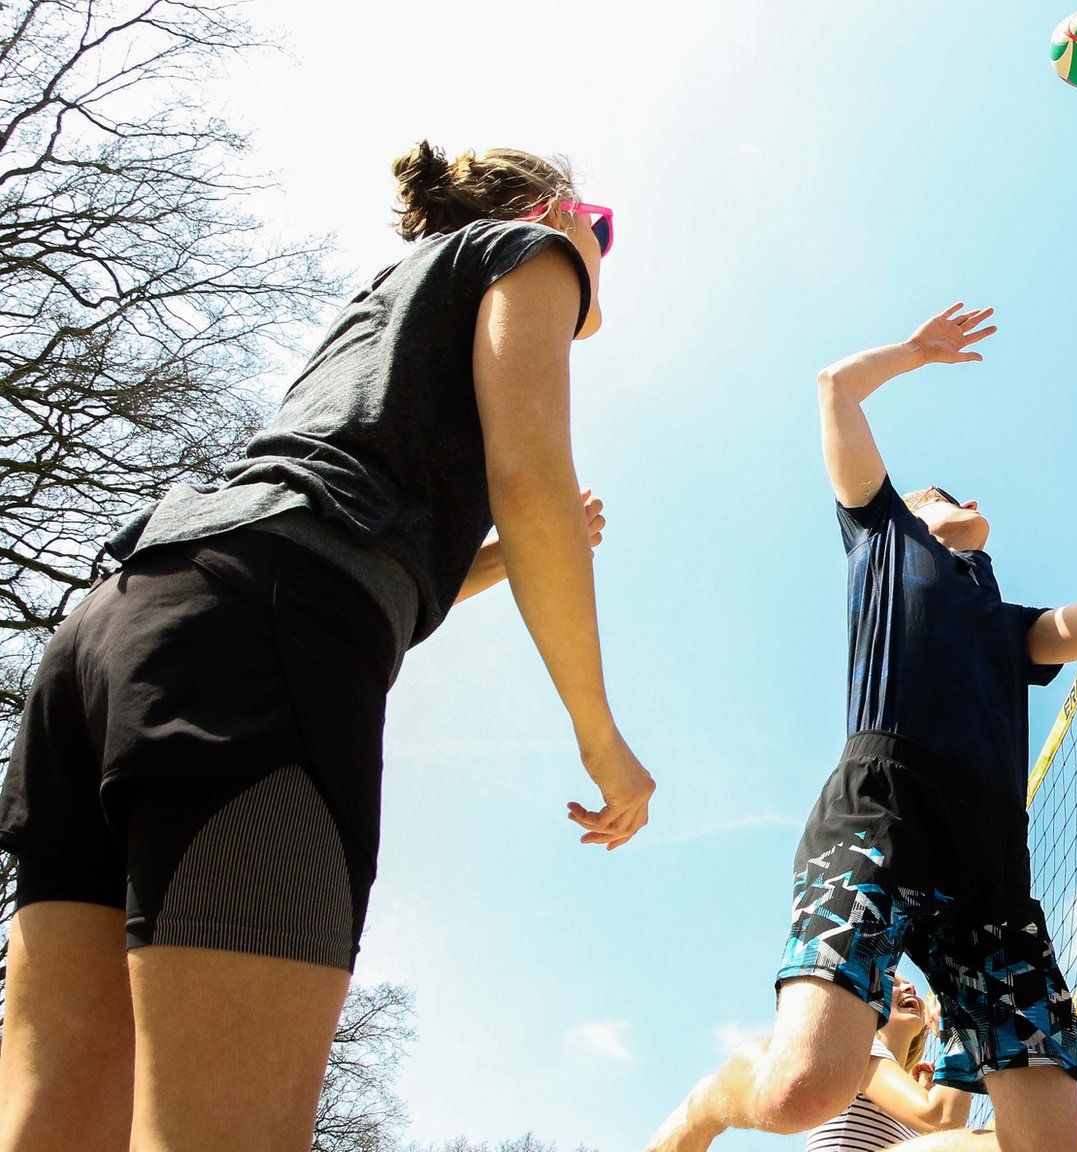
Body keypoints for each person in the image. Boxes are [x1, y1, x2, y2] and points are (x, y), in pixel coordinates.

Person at [0, 141, 657, 1152]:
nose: (598, 248)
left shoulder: (387, 297)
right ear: (559, 207)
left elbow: (360, 533)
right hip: (259, 638)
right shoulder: (535, 248)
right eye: (601, 226)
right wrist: (598, 734)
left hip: (121, 625)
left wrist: (507, 555)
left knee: (57, 1128)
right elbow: (530, 481)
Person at [649, 303, 1077, 1152]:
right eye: (944, 491)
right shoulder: (884, 538)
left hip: (990, 874)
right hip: (881, 815)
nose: (966, 498)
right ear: (911, 508)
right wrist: (917, 353)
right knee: (804, 1092)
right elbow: (836, 387)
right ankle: (715, 1097)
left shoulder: (1014, 627)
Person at [805, 975, 972, 1151]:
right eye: (891, 983)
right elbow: (942, 1118)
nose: (910, 988)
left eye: (909, 984)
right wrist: (959, 1031)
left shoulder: (907, 1102)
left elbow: (946, 1125)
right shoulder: (860, 1050)